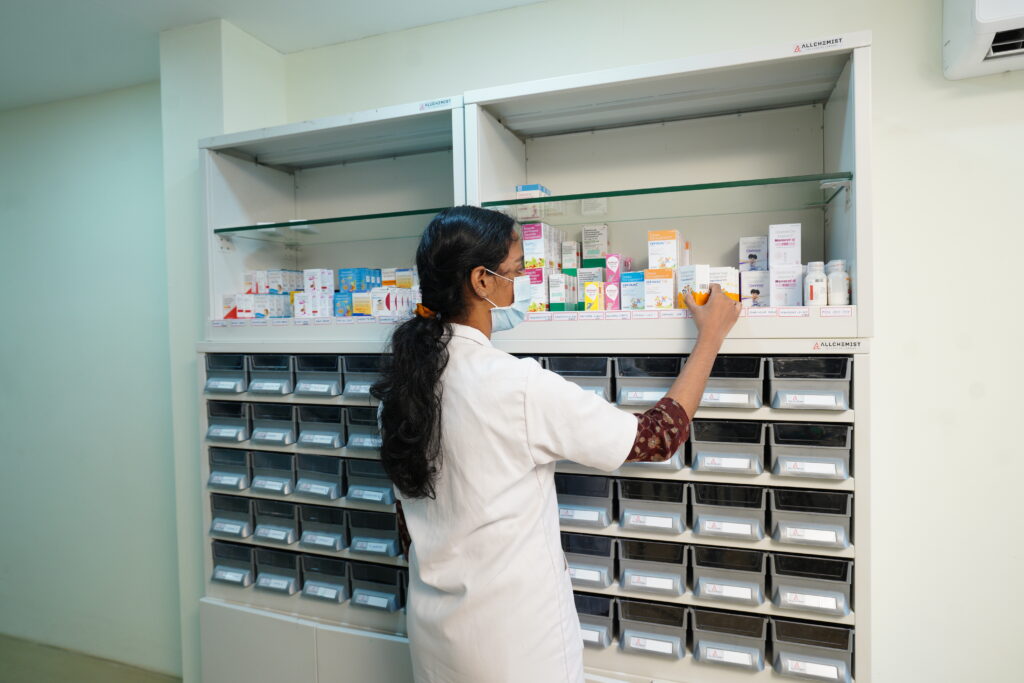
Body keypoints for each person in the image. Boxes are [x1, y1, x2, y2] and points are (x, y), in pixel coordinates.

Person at [371, 206, 740, 683]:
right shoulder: (515, 384)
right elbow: (656, 438)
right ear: (482, 282)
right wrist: (711, 336)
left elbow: (408, 524)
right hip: (516, 646)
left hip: (437, 636)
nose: (522, 278)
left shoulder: (400, 389)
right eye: (518, 267)